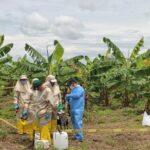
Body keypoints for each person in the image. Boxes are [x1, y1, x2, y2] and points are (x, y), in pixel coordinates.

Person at [29, 78, 55, 144]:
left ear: (40, 86)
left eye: (37, 88)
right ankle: (42, 141)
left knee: (44, 126)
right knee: (40, 126)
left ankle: (45, 142)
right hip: (38, 111)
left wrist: (48, 112)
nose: (37, 90)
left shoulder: (47, 91)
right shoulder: (38, 91)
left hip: (45, 112)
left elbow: (51, 103)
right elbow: (37, 101)